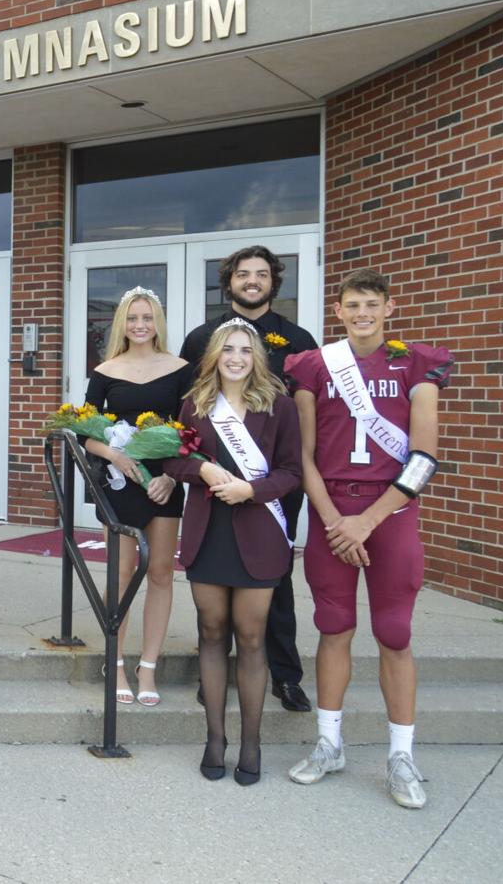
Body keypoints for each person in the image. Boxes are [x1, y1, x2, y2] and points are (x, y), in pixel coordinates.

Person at [285, 270, 450, 810]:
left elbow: (423, 458)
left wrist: (366, 522)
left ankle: (402, 755)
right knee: (332, 626)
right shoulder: (314, 365)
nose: (362, 313)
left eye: (371, 304)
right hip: (332, 505)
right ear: (338, 310)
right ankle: (328, 743)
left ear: (388, 307)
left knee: (394, 632)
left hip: (390, 509)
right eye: (352, 304)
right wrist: (336, 522)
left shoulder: (415, 363)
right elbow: (304, 456)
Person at [180, 245, 318, 713]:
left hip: (271, 484)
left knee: (273, 580)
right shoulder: (201, 338)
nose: (252, 281)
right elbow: (185, 422)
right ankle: (213, 674)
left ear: (273, 281)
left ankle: (284, 674)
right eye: (244, 274)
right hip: (214, 486)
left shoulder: (297, 338)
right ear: (230, 280)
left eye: (262, 274)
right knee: (215, 601)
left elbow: (311, 410)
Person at [163, 320, 301, 785]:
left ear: (256, 356)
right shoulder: (196, 404)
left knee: (253, 636)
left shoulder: (279, 407)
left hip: (259, 531)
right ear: (216, 356)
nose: (236, 357)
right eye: (228, 350)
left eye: (245, 349)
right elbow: (173, 459)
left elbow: (291, 472)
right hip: (209, 532)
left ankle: (252, 742)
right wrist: (201, 471)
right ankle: (215, 738)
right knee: (211, 631)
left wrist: (252, 490)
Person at [83, 286, 190, 703]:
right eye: (132, 318)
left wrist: (174, 477)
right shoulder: (106, 371)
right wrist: (113, 454)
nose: (140, 325)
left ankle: (149, 667)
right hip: (121, 480)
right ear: (122, 324)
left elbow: (192, 430)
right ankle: (117, 661)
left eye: (147, 318)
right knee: (122, 574)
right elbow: (84, 431)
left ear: (157, 322)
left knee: (161, 572)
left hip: (164, 481)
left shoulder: (182, 369)